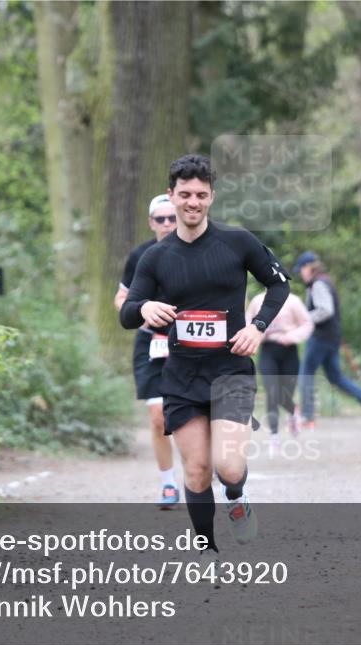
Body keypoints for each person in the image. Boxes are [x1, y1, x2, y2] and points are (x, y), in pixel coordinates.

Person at [120, 154, 290, 571]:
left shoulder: (237, 243)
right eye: (184, 195)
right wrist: (144, 310)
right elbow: (127, 313)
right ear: (172, 196)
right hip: (181, 377)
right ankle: (206, 551)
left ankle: (236, 497)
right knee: (196, 473)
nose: (192, 202)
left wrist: (258, 326)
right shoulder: (157, 258)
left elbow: (279, 285)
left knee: (228, 466)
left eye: (200, 194)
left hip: (230, 371)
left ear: (211, 196)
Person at [114, 194, 179, 508]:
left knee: (194, 413)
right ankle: (168, 484)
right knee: (158, 418)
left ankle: (207, 469)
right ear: (152, 222)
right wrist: (141, 312)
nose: (167, 224)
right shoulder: (140, 255)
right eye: (161, 219)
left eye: (172, 218)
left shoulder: (197, 251)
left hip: (190, 342)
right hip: (151, 341)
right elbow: (121, 300)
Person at [293, 251, 361, 428]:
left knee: (306, 374)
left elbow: (326, 310)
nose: (301, 273)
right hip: (331, 337)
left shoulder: (318, 284)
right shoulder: (325, 280)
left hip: (321, 338)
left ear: (309, 267)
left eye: (301, 268)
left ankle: (308, 417)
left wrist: (304, 318)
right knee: (336, 377)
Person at [245, 291, 313, 451]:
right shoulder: (258, 301)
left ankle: (292, 413)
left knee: (285, 394)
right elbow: (247, 323)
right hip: (268, 350)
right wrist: (254, 336)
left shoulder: (293, 301)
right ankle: (274, 436)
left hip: (288, 350)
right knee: (272, 392)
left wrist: (292, 336)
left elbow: (307, 323)